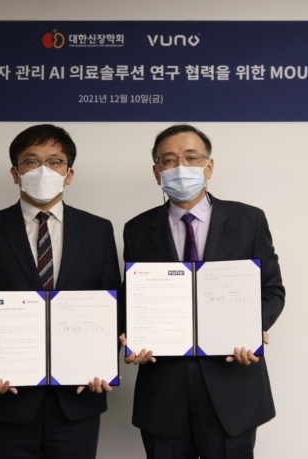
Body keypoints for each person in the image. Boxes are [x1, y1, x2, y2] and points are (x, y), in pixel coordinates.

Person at [0, 124, 121, 459]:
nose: (44, 170)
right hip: (7, 396)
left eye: (55, 162)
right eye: (31, 161)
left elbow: (111, 304)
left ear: (69, 174)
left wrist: (102, 363)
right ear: (15, 173)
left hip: (78, 396)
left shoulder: (98, 230)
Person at [120, 124, 285, 459]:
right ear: (157, 172)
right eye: (169, 160)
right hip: (162, 392)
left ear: (209, 167)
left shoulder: (248, 220)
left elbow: (272, 290)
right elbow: (132, 298)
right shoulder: (137, 228)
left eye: (191, 158)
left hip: (232, 388)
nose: (180, 167)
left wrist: (252, 327)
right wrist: (129, 335)